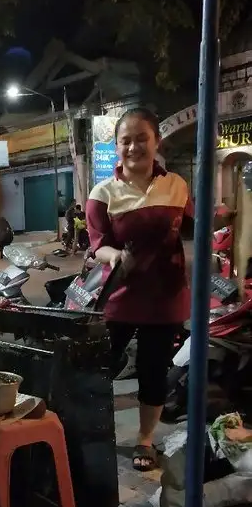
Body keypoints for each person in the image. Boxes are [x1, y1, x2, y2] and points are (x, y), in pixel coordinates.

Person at [86, 107, 193, 472]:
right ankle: (93, 433)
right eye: (125, 140)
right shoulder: (103, 193)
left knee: (152, 370)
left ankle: (144, 440)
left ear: (156, 141)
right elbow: (96, 244)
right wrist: (114, 254)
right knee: (100, 367)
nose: (133, 147)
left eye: (141, 138)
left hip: (166, 297)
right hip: (120, 298)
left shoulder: (176, 185)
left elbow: (196, 223)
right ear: (116, 147)